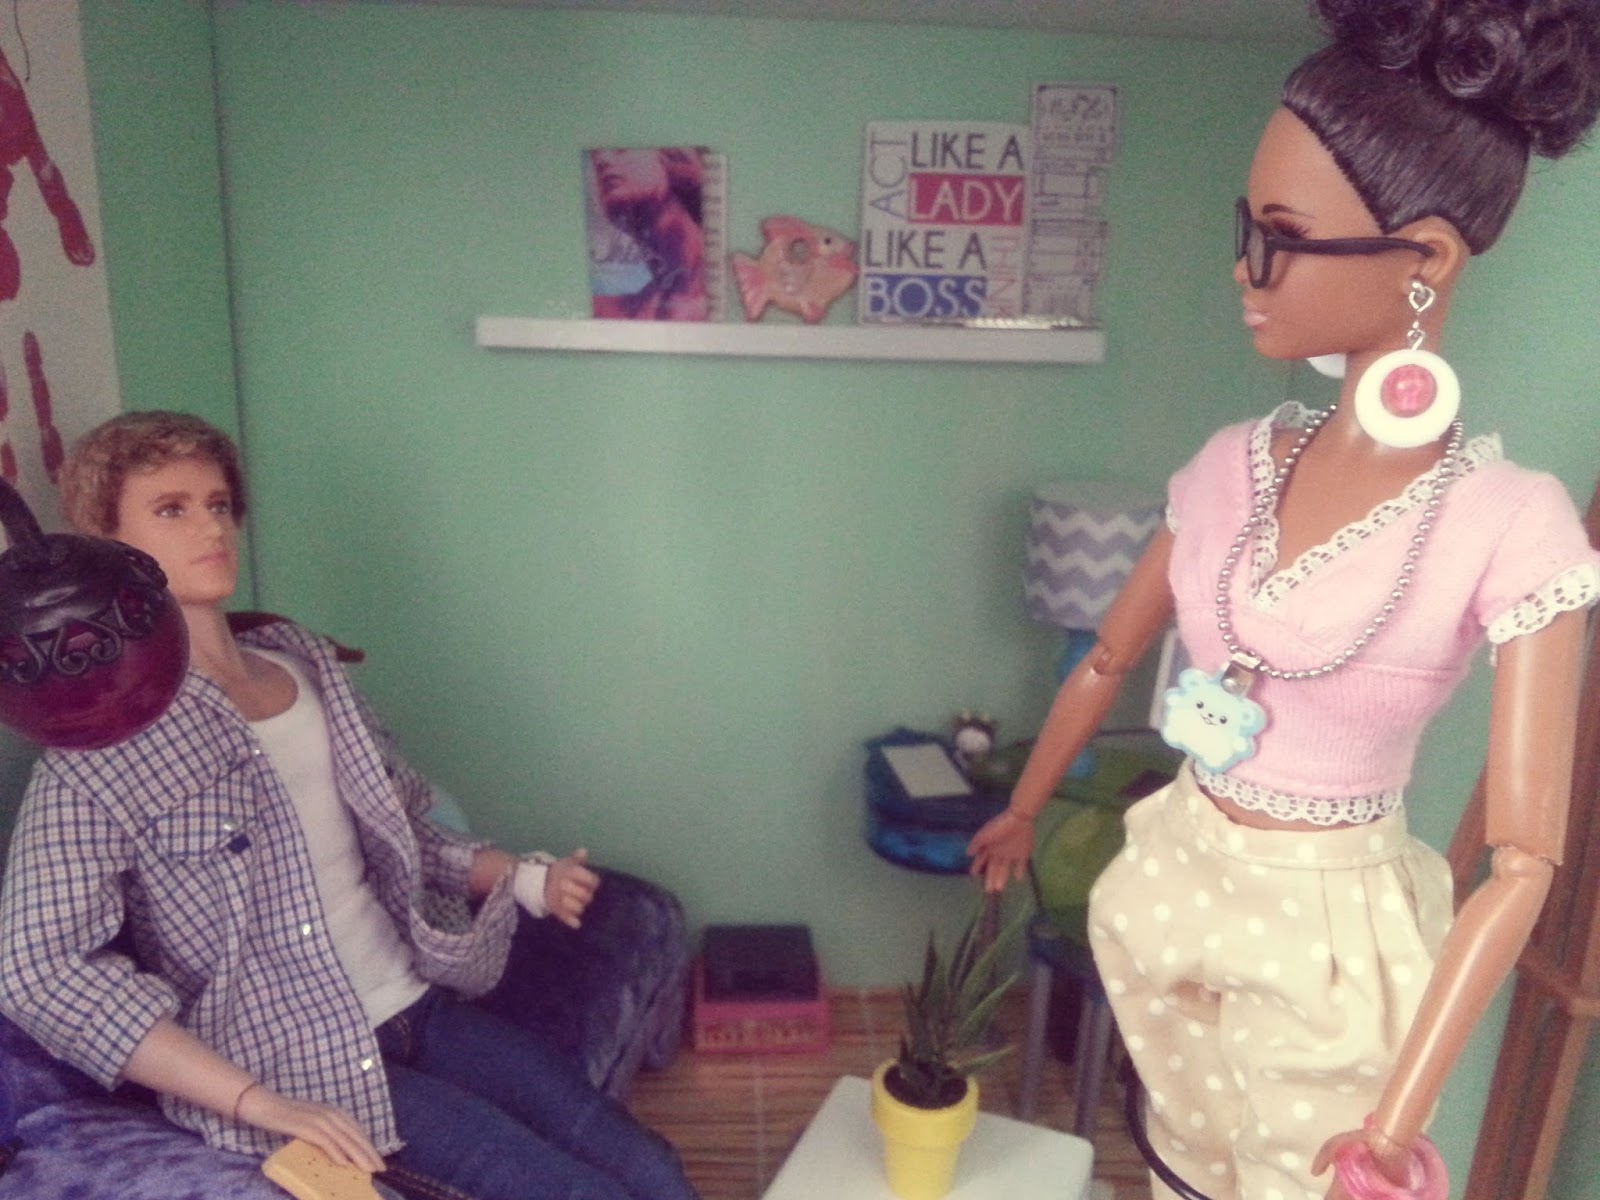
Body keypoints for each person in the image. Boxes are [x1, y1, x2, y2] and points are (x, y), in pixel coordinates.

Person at [967, 3, 1600, 1198]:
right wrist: (1024, 808)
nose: (1243, 271)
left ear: (1424, 261)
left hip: (1330, 942)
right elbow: (1106, 656)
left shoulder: (1510, 523)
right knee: (1175, 1164)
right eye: (1246, 232)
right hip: (1174, 874)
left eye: (1283, 240)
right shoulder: (1229, 466)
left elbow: (1523, 861)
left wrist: (1393, 1123)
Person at [0, 411, 701, 1200]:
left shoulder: (303, 667)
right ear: (106, 541)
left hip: (418, 1005)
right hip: (295, 1061)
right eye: (172, 509)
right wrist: (253, 1101)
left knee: (651, 1168)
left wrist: (523, 877)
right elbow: (39, 968)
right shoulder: (102, 747)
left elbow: (399, 827)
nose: (211, 528)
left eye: (219, 504)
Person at [587, 147, 709, 320]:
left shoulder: (717, 293)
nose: (601, 160)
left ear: (671, 157)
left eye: (621, 150)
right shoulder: (610, 310)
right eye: (595, 156)